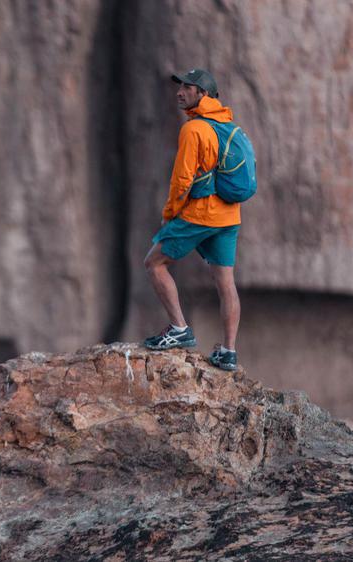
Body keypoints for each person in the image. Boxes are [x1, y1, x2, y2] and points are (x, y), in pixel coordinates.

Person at [142, 68, 241, 371]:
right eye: (180, 87)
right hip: (229, 215)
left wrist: (169, 214)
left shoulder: (194, 129)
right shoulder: (227, 126)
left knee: (154, 263)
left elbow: (182, 180)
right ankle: (228, 351)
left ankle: (179, 329)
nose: (180, 92)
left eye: (188, 87)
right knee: (225, 282)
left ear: (203, 94)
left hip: (202, 213)